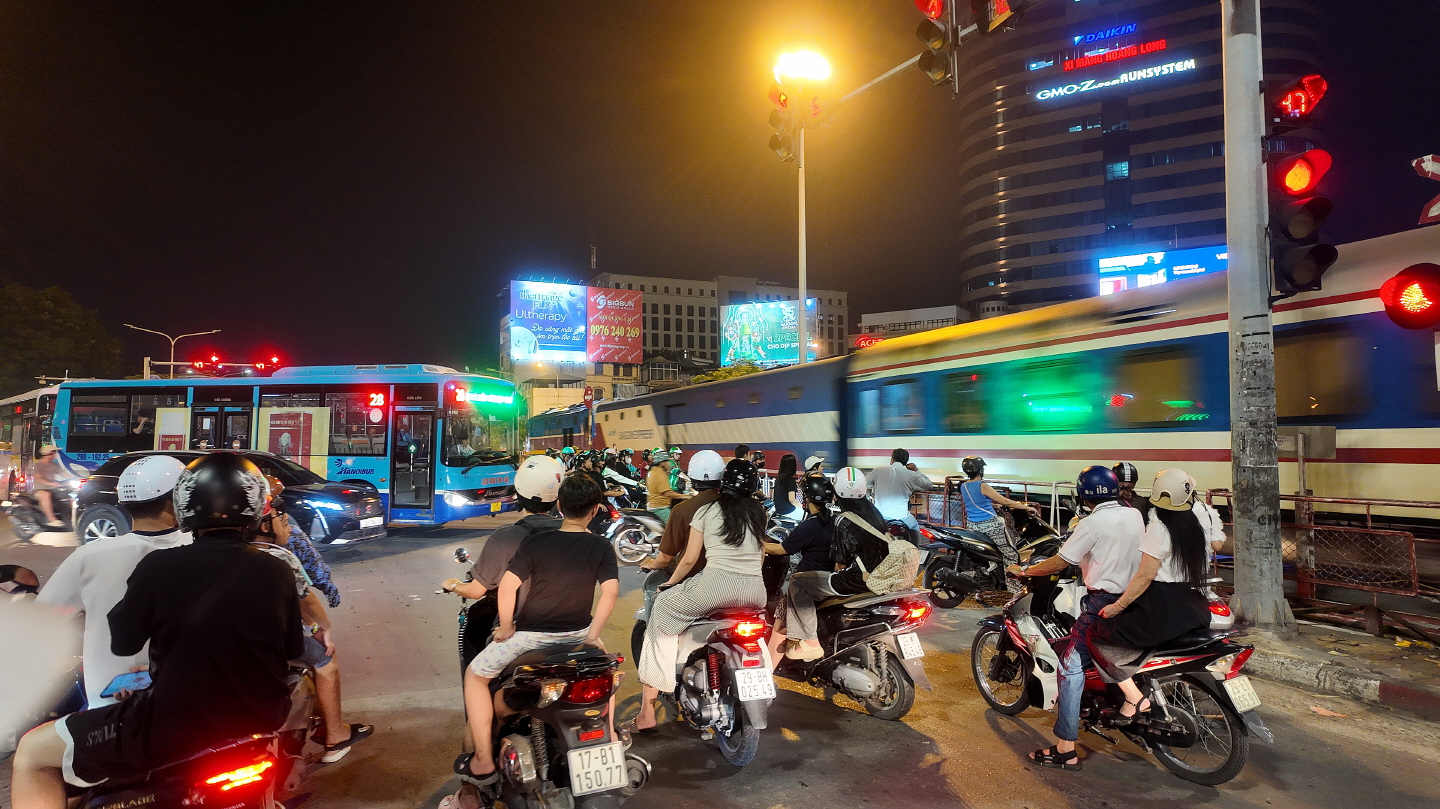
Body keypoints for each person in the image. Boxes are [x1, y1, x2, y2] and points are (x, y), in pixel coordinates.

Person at [12, 453, 304, 809]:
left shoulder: (157, 564)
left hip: (172, 728)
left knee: (32, 753)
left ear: (184, 504)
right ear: (256, 507)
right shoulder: (276, 568)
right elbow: (292, 647)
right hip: (258, 721)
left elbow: (124, 642)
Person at [454, 474, 619, 789]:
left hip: (530, 637)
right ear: (595, 510)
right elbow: (609, 594)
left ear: (560, 506)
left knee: (475, 676)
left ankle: (483, 760)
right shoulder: (601, 545)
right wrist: (590, 635)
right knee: (604, 670)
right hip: (577, 634)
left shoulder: (536, 542)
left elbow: (506, 587)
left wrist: (506, 627)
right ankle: (609, 737)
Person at [1005, 465, 1144, 772]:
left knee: (1070, 667)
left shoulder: (1090, 523)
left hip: (1103, 602)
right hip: (1136, 599)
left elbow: (1059, 562)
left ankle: (1065, 748)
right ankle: (1132, 696)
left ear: (1084, 495)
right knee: (1105, 650)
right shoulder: (1134, 514)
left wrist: (1025, 571)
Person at [35, 455, 192, 707]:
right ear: (176, 500)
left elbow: (41, 620)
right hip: (184, 697)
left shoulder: (90, 556)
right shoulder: (200, 549)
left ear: (123, 502)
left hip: (108, 706)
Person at [632, 459, 768, 732]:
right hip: (756, 591)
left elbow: (688, 559)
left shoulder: (706, 510)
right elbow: (761, 554)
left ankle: (649, 708)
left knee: (662, 608)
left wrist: (669, 584)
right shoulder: (759, 513)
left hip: (714, 587)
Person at [1087, 469, 1227, 722]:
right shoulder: (1197, 525)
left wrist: (1117, 606)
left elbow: (1144, 577)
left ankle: (1133, 698)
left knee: (1096, 634)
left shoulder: (1159, 529)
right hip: (1194, 608)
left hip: (1162, 610)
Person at [251, 475, 371, 762]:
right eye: (281, 517)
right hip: (272, 642)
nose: (288, 525)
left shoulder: (199, 553)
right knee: (326, 659)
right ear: (265, 524)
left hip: (226, 643)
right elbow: (307, 602)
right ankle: (335, 735)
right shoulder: (278, 557)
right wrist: (322, 629)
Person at [442, 455, 565, 658]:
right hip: (570, 631)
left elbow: (475, 591)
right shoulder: (574, 535)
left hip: (522, 633)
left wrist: (453, 585)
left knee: (476, 674)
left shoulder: (505, 538)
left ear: (518, 492)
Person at [779, 467, 893, 661]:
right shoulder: (875, 514)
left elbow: (840, 565)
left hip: (854, 580)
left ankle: (810, 642)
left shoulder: (843, 520)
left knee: (798, 582)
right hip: (879, 577)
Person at [763, 471, 837, 665]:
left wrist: (757, 543)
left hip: (808, 582)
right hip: (830, 579)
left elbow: (782, 549)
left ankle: (768, 669)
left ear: (806, 498)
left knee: (781, 618)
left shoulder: (810, 525)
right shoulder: (834, 520)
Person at [640, 450, 725, 584]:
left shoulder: (682, 510)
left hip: (695, 582)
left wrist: (653, 565)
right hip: (729, 581)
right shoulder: (733, 507)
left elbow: (674, 558)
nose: (669, 463)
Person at [957, 455, 1038, 568]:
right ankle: (1011, 579)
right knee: (1010, 554)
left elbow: (976, 501)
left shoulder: (964, 486)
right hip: (990, 525)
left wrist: (994, 505)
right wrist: (1026, 508)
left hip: (972, 526)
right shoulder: (982, 486)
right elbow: (1005, 501)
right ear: (980, 470)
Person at [866, 448, 934, 544]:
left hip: (880, 516)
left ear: (892, 459)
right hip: (902, 516)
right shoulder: (911, 474)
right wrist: (916, 470)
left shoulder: (878, 470)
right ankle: (914, 549)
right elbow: (928, 485)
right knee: (914, 526)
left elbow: (864, 483)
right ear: (906, 462)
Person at [645, 451, 690, 524]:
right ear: (662, 463)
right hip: (660, 508)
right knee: (675, 525)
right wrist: (686, 496)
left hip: (653, 505)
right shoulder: (659, 474)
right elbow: (667, 493)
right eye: (667, 461)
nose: (669, 463)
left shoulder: (653, 471)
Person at [32, 445, 69, 527]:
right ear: (48, 454)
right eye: (54, 452)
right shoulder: (38, 465)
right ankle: (51, 519)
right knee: (46, 494)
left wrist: (78, 479)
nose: (56, 454)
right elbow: (38, 478)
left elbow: (64, 474)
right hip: (39, 490)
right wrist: (50, 484)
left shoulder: (54, 465)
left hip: (52, 489)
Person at [772, 453, 801, 519]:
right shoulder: (790, 480)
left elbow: (773, 497)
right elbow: (792, 500)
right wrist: (801, 506)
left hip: (779, 511)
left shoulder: (778, 478)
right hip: (789, 511)